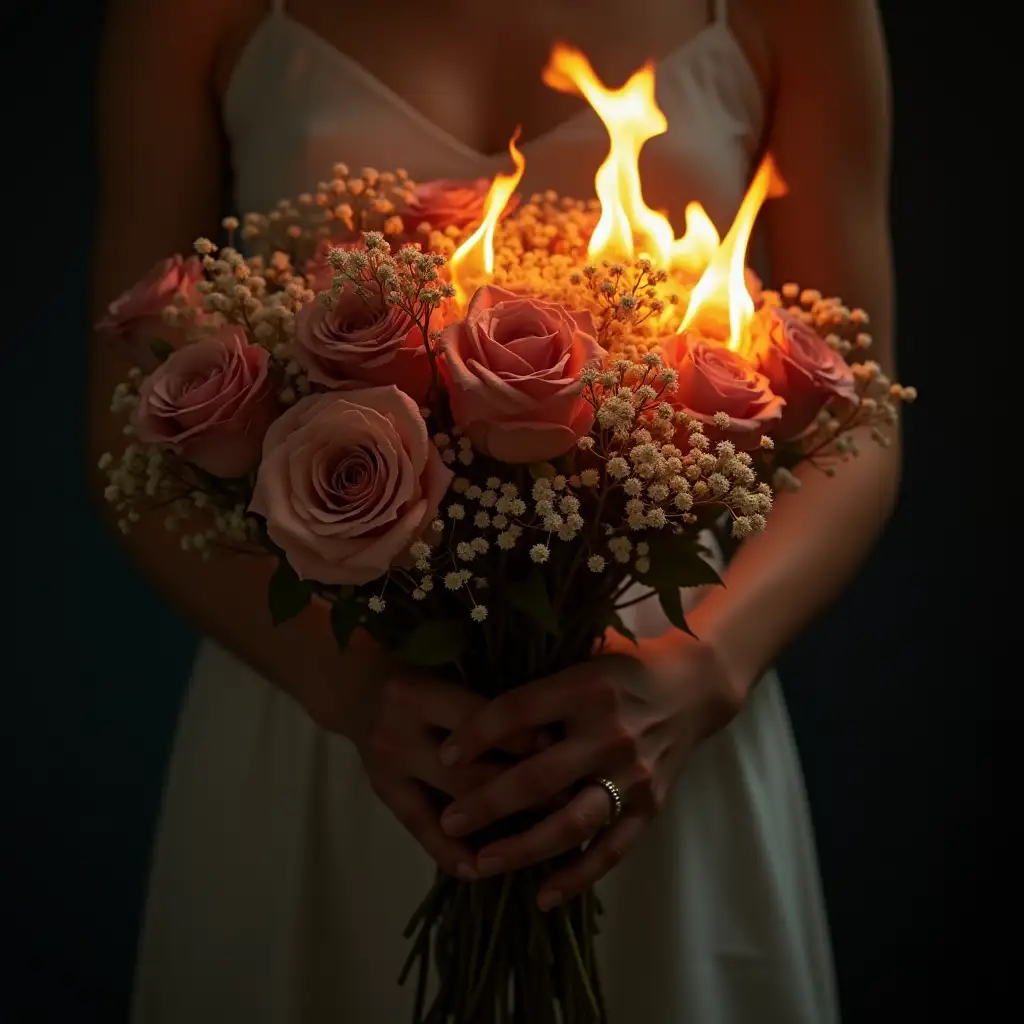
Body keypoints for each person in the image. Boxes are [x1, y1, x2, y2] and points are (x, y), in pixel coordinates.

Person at [89, 0, 896, 1020]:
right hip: (329, 709)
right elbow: (126, 426)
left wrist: (703, 671)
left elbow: (862, 427)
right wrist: (344, 686)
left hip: (646, 726)